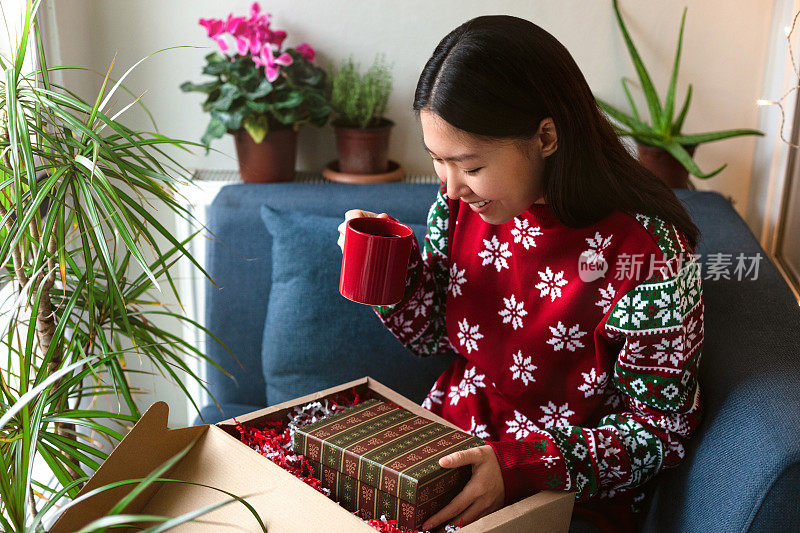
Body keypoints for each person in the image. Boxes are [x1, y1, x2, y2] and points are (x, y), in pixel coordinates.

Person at [337, 14, 703, 533]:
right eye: (438, 161)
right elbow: (430, 339)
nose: (450, 188)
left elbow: (660, 432)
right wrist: (394, 271)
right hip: (443, 447)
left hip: (559, 490)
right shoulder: (462, 211)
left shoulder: (650, 255)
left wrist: (519, 468)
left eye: (470, 165)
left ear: (546, 136)